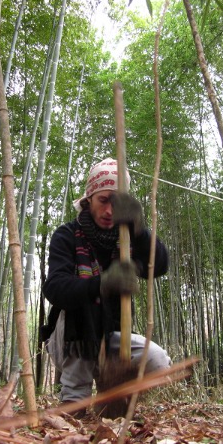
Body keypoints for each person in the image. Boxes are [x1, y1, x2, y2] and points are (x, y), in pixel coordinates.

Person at [42, 157, 171, 414]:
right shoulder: (67, 235)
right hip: (70, 337)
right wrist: (102, 284)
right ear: (89, 198)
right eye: (103, 200)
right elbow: (55, 288)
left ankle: (112, 393)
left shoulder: (126, 238)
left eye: (117, 202)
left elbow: (160, 266)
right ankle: (74, 397)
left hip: (112, 337)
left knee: (158, 362)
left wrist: (139, 229)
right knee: (82, 312)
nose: (110, 210)